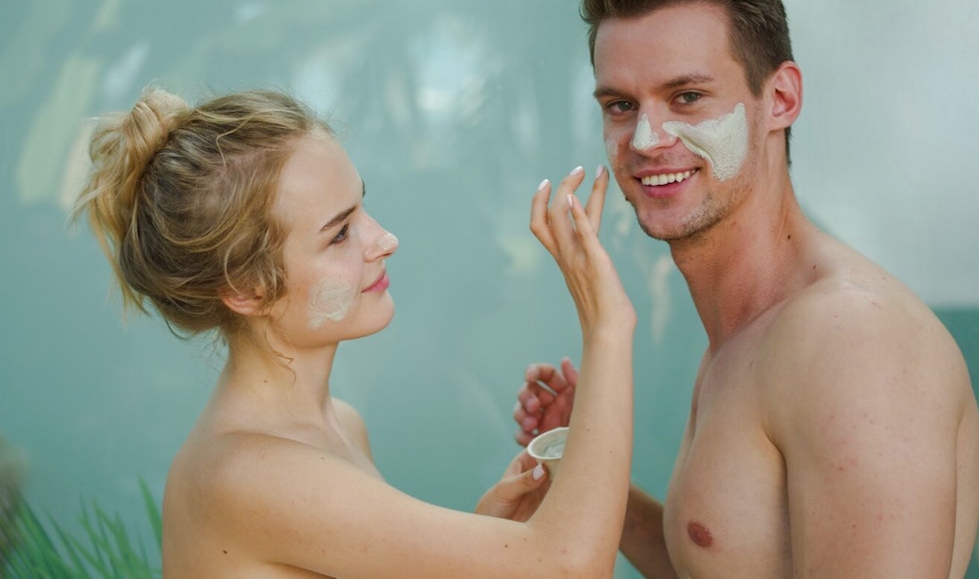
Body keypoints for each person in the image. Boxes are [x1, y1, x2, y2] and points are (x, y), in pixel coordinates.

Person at [514, 0, 979, 578]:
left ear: (781, 98)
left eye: (686, 97)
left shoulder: (853, 340)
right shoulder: (748, 332)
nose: (648, 141)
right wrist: (587, 461)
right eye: (621, 105)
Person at [73, 87, 636, 577]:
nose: (384, 239)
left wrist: (485, 539)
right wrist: (607, 328)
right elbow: (570, 568)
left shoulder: (341, 425)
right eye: (339, 234)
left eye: (361, 208)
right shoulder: (243, 474)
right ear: (246, 288)